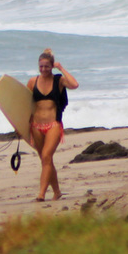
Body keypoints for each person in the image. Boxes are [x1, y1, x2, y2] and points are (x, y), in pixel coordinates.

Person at [26, 48, 78, 201]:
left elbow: (74, 85)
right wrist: (20, 126)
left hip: (53, 125)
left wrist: (60, 68)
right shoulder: (32, 81)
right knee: (45, 160)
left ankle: (41, 193)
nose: (43, 69)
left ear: (52, 66)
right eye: (41, 66)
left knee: (47, 156)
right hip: (35, 126)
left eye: (47, 66)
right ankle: (57, 192)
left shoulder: (59, 80)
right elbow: (25, 104)